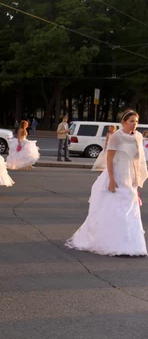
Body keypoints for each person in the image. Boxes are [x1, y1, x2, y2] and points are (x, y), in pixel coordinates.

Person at [66, 110, 148, 256]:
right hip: (116, 173)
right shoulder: (117, 136)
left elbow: (138, 158)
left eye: (136, 121)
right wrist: (111, 179)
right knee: (115, 208)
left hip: (130, 175)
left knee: (130, 209)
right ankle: (111, 242)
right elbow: (110, 159)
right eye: (131, 121)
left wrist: (137, 177)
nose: (134, 124)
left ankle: (131, 244)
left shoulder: (139, 136)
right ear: (123, 122)